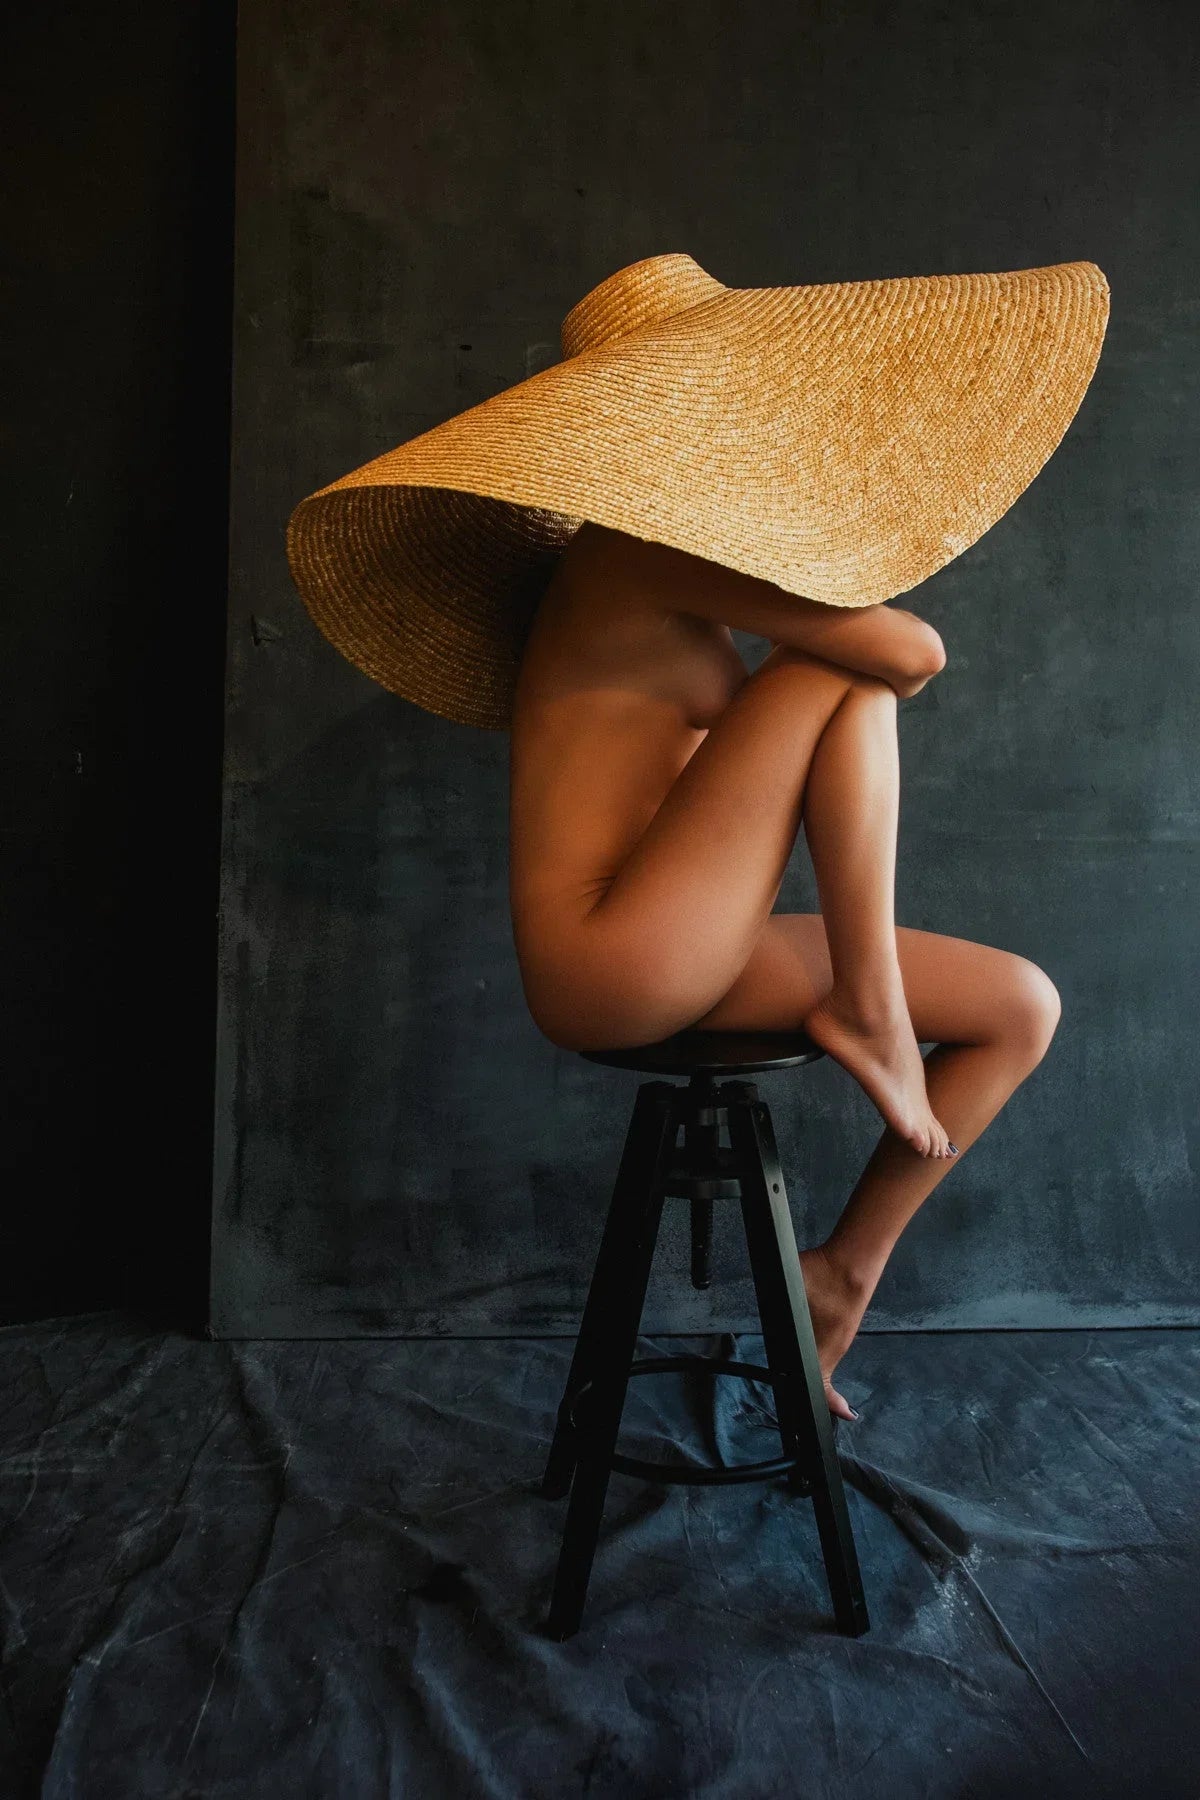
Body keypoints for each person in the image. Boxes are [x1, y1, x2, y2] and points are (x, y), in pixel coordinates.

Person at [508, 519, 1062, 1421]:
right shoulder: (630, 551)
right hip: (605, 955)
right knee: (844, 672)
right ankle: (868, 1006)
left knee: (1019, 1006)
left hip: (679, 941)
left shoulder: (683, 570)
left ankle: (843, 1271)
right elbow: (914, 652)